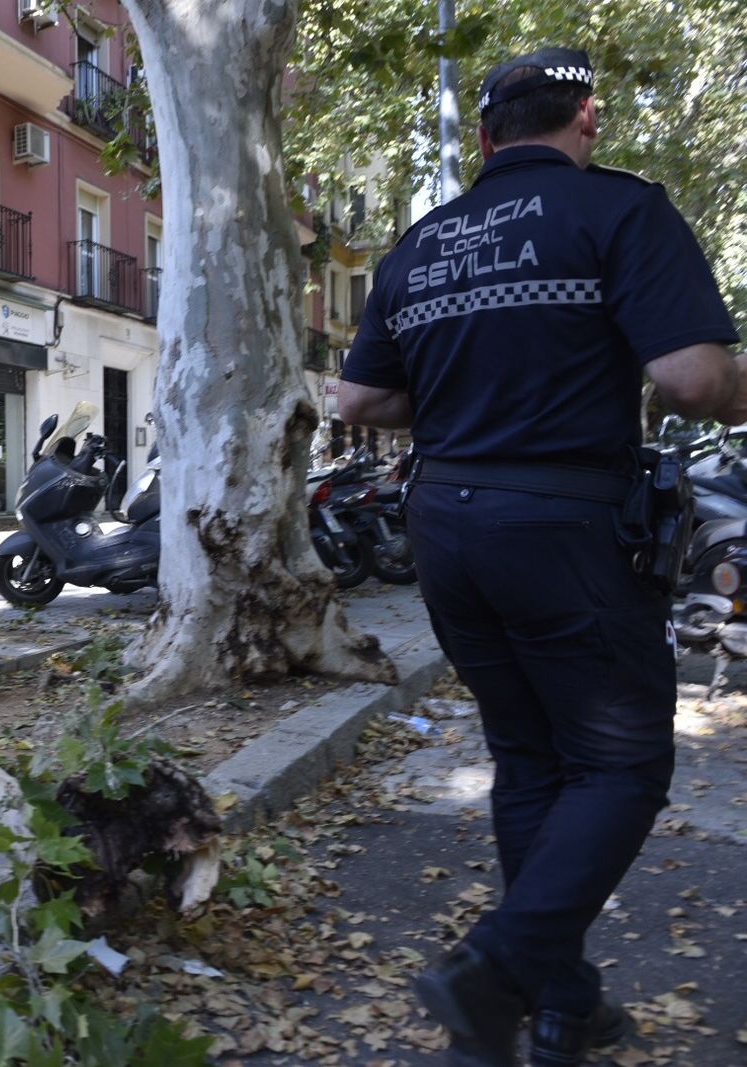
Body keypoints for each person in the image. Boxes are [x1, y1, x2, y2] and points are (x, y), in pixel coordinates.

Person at [338, 48, 747, 1067]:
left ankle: (563, 1002)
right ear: (587, 119)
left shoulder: (418, 243)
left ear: (484, 138)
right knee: (621, 761)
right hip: (559, 522)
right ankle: (495, 968)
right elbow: (693, 378)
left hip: (443, 524)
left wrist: (470, 383)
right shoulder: (618, 210)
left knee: (527, 757)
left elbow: (363, 402)